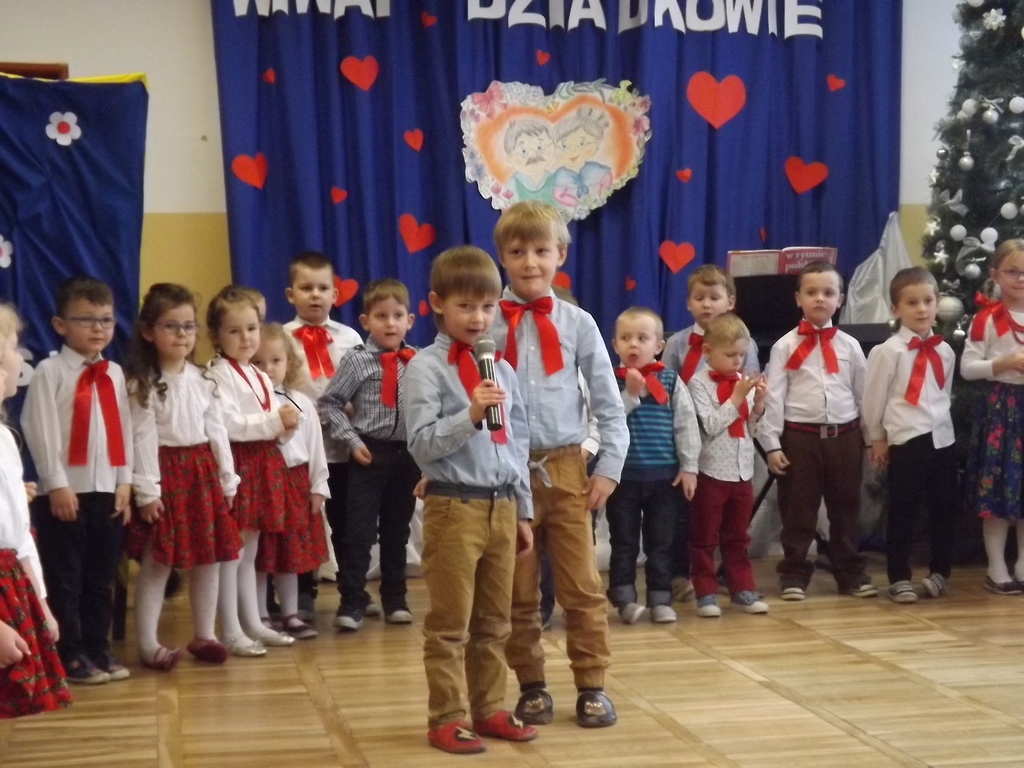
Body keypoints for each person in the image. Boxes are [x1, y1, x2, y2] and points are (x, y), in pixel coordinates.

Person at [490, 200, 629, 729]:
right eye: (517, 251)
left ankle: (592, 684)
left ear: (560, 255)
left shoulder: (578, 323)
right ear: (502, 256)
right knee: (518, 592)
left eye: (540, 250)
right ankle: (532, 686)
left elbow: (608, 402)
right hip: (507, 473)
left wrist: (609, 466)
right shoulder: (487, 322)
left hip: (568, 468)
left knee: (581, 587)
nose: (530, 262)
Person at [404, 246, 537, 754]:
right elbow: (421, 444)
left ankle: (490, 707)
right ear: (437, 304)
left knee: (495, 622)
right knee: (450, 625)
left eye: (487, 306)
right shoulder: (425, 368)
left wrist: (522, 509)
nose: (478, 318)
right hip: (453, 506)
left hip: (501, 506)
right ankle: (446, 716)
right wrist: (471, 416)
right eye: (465, 306)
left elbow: (517, 444)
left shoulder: (501, 369)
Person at [124, 284, 242, 668]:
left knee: (209, 557)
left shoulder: (204, 379)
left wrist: (227, 479)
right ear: (148, 332)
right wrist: (147, 491)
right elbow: (142, 438)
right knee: (159, 559)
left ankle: (205, 634)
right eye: (171, 326)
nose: (182, 334)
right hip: (165, 475)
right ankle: (147, 643)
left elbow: (217, 432)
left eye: (189, 326)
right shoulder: (142, 384)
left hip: (201, 474)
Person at [23, 276, 134, 684]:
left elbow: (123, 428)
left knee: (100, 576)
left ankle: (98, 647)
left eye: (105, 319)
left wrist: (125, 481)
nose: (98, 328)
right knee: (66, 578)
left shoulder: (114, 373)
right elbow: (40, 428)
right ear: (60, 324)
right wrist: (56, 483)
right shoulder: (50, 372)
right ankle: (70, 652)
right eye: (86, 319)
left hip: (106, 491)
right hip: (65, 494)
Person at [762, 262, 876, 601]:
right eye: (812, 292)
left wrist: (871, 439)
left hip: (845, 437)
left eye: (828, 292)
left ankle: (849, 572)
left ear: (840, 299)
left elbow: (863, 395)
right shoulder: (784, 346)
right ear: (799, 298)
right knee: (798, 508)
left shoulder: (850, 346)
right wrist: (771, 444)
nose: (820, 299)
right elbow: (774, 398)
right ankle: (795, 573)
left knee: (846, 507)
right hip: (800, 438)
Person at [318, 279, 419, 630]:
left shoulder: (418, 360)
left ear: (410, 321)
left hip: (406, 458)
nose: (390, 323)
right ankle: (352, 600)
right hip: (368, 453)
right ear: (365, 321)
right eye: (381, 316)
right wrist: (351, 440)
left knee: (397, 532)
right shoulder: (357, 360)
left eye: (397, 315)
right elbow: (329, 403)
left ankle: (396, 598)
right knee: (359, 532)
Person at [205, 286, 298, 655]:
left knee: (250, 550)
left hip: (262, 463)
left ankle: (253, 621)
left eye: (251, 328)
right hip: (238, 464)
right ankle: (230, 629)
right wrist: (274, 421)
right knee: (232, 552)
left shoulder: (256, 374)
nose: (246, 338)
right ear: (216, 335)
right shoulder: (217, 375)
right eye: (234, 331)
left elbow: (269, 420)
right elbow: (227, 425)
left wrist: (285, 426)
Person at [662, 264, 760, 604]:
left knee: (730, 523)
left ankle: (730, 579)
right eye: (699, 298)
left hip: (731, 451)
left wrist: (757, 400)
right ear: (688, 303)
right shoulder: (678, 343)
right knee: (685, 515)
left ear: (729, 302)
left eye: (714, 297)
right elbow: (665, 386)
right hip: (686, 440)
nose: (707, 304)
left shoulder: (744, 344)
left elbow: (748, 388)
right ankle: (680, 575)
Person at [863, 267, 956, 602]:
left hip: (942, 439)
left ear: (937, 304)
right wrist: (876, 437)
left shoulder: (945, 351)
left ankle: (939, 572)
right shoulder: (887, 352)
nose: (921, 309)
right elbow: (873, 398)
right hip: (907, 440)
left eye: (928, 301)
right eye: (912, 302)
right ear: (896, 309)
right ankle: (899, 576)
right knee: (903, 510)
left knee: (944, 509)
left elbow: (944, 392)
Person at [282, 251, 363, 623]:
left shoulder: (350, 338)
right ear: (290, 294)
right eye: (306, 288)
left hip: (343, 448)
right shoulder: (282, 338)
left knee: (347, 524)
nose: (315, 295)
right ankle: (303, 591)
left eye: (322, 288)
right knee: (302, 524)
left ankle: (353, 591)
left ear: (335, 294)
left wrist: (354, 409)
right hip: (300, 451)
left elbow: (364, 386)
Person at [0, 303, 72, 716]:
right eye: (13, 348)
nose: (19, 358)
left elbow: (20, 536)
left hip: (12, 584)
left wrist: (40, 602)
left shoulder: (6, 439)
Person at [606, 307, 699, 625]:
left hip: (665, 478)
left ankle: (660, 597)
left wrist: (689, 467)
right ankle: (623, 597)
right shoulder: (609, 381)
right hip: (624, 478)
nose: (633, 344)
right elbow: (605, 421)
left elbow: (685, 425)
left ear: (658, 345)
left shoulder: (670, 380)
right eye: (625, 338)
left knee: (662, 542)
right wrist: (630, 394)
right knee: (624, 541)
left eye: (642, 338)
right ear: (615, 345)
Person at [251, 323, 329, 639]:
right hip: (262, 486)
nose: (267, 369)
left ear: (289, 362)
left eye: (275, 361)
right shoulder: (249, 405)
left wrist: (318, 486)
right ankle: (259, 615)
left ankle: (291, 614)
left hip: (295, 485)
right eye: (258, 362)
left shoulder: (301, 402)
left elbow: (315, 447)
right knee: (260, 556)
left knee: (289, 555)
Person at [687, 313, 769, 617]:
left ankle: (741, 589)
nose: (738, 361)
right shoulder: (698, 384)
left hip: (741, 471)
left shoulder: (741, 384)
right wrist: (736, 398)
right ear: (708, 351)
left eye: (742, 355)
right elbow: (710, 425)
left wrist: (757, 404)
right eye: (731, 355)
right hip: (711, 472)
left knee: (737, 535)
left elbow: (752, 430)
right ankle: (706, 592)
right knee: (705, 536)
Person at [961, 239, 1024, 594]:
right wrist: (1003, 363)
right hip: (1003, 409)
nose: (1021, 278)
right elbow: (968, 368)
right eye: (1013, 271)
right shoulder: (986, 319)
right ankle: (996, 567)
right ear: (996, 275)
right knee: (997, 490)